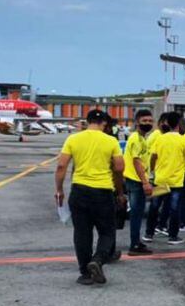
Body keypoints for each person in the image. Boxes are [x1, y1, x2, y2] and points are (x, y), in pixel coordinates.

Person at [55, 109, 125, 286]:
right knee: (107, 231)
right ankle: (98, 260)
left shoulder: (73, 139)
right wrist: (120, 192)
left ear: (87, 121)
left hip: (79, 191)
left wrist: (59, 190)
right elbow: (118, 168)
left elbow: (61, 166)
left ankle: (85, 273)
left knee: (82, 233)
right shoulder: (111, 141)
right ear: (105, 124)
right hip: (102, 191)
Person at [147, 111, 185, 245]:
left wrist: (153, 170)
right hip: (176, 181)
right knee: (174, 208)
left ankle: (149, 234)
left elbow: (153, 157)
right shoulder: (183, 140)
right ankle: (172, 236)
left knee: (155, 206)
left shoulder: (160, 138)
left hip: (160, 179)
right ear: (178, 124)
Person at [122, 109, 155, 256]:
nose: (148, 123)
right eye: (144, 121)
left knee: (139, 213)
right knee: (136, 214)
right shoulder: (136, 138)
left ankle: (136, 242)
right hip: (135, 181)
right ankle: (134, 245)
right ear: (137, 122)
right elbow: (136, 162)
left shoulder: (142, 138)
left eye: (150, 121)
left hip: (137, 180)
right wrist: (145, 182)